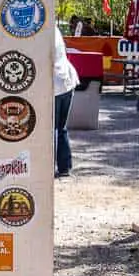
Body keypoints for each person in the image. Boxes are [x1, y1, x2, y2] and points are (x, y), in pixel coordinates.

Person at [54, 26, 79, 178]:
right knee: (61, 128)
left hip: (54, 83)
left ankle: (47, 166)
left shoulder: (42, 30)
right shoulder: (55, 29)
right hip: (67, 80)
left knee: (48, 130)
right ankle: (64, 167)